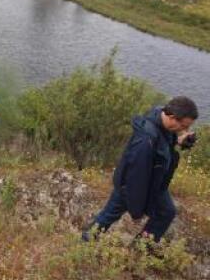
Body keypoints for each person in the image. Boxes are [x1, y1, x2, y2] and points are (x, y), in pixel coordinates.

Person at [82, 96, 198, 243]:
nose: (185, 130)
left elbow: (161, 146)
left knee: (167, 212)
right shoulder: (145, 141)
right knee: (109, 215)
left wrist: (179, 141)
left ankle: (141, 248)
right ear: (172, 117)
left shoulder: (164, 123)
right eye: (184, 126)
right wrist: (137, 210)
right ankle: (86, 241)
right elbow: (136, 178)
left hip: (155, 183)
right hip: (130, 187)